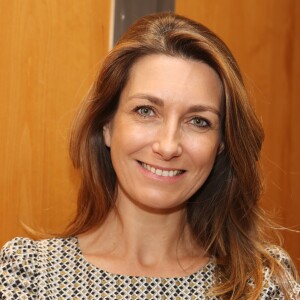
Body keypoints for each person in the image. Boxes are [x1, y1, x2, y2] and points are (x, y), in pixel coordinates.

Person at [0, 12, 299, 300]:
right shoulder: (29, 274)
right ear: (107, 124)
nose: (168, 147)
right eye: (146, 111)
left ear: (221, 143)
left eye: (199, 121)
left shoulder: (262, 283)